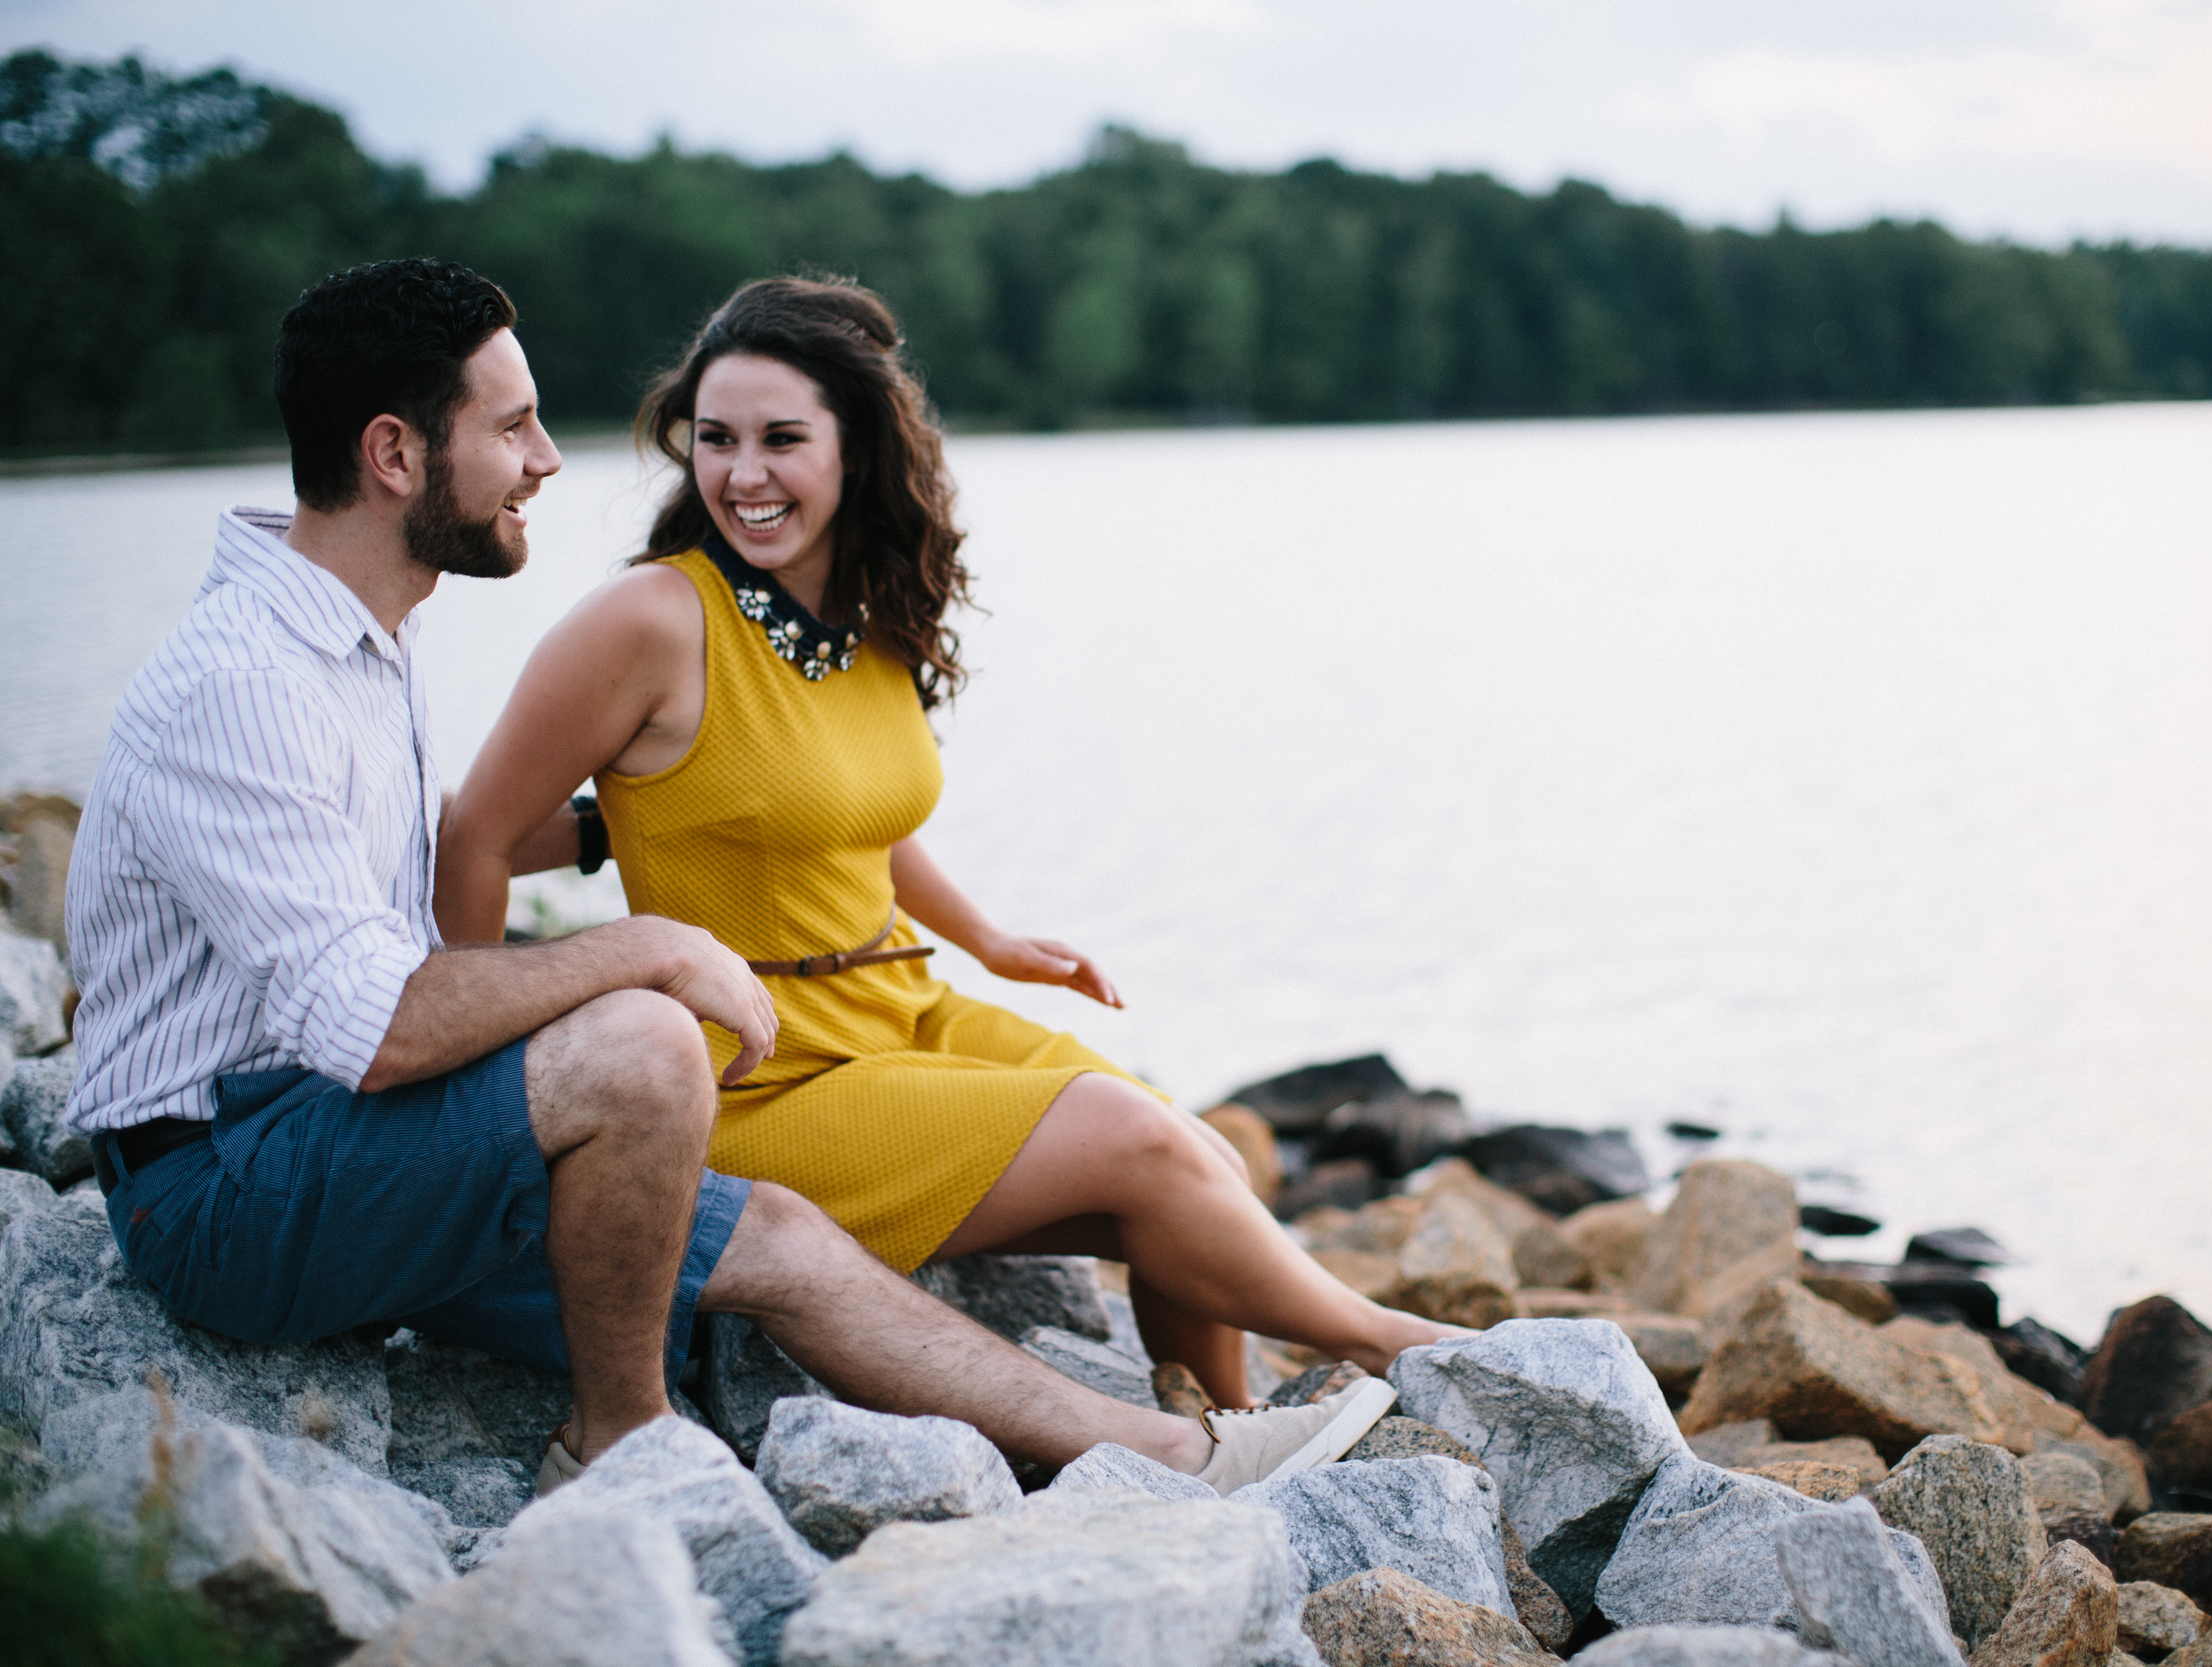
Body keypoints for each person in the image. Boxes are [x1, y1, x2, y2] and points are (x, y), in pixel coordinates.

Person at [63, 257, 1394, 1495]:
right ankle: (623, 1438)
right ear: (396, 452)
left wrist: (628, 827)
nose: (544, 460)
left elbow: (406, 854)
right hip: (227, 1182)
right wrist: (657, 946)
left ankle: (1180, 1457)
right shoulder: (248, 679)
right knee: (642, 1035)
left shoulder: (357, 642)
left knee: (792, 1245)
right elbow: (379, 1020)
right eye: (514, 427)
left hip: (344, 1135)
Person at [434, 276, 1458, 1407]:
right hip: (754, 1072)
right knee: (1134, 1135)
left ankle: (1227, 1430)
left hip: (898, 1004)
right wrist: (474, 1087)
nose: (741, 474)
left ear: (858, 447)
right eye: (715, 440)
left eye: (782, 438)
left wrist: (985, 935)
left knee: (1195, 1154)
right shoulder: (651, 620)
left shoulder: (869, 617)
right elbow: (473, 835)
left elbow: (857, 823)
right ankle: (1392, 1341)